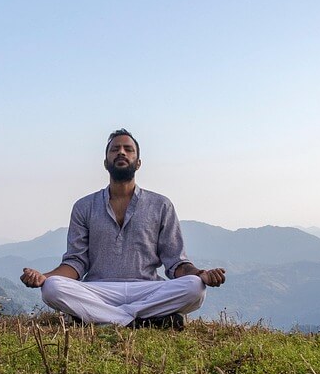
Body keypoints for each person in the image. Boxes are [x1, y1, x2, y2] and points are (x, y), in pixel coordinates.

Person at [20, 128, 226, 328]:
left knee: (195, 288)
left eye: (128, 149)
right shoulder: (84, 206)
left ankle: (104, 318)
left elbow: (176, 263)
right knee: (52, 288)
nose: (121, 152)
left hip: (146, 288)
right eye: (115, 149)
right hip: (99, 290)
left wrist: (201, 274)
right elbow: (76, 262)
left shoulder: (161, 205)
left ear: (138, 162)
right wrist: (45, 278)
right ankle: (141, 320)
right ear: (105, 162)